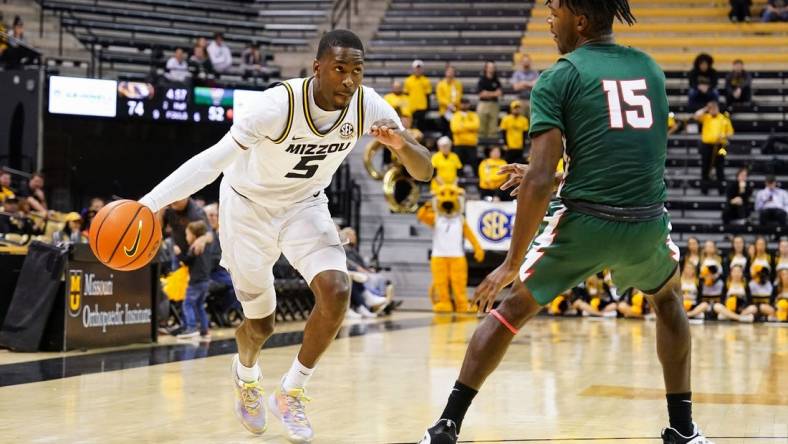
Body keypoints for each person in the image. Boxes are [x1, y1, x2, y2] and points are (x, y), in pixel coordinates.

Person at [419, 1, 712, 443]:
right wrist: (563, 176)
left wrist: (510, 261)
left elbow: (535, 181)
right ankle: (684, 430)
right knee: (668, 299)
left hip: (585, 223)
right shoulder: (650, 68)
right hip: (645, 223)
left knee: (510, 310)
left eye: (554, 11)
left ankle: (446, 426)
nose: (548, 20)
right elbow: (625, 151)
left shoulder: (560, 74)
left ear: (579, 19)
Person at [137, 30, 432, 441]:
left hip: (304, 205)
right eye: (340, 69)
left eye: (357, 71)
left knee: (337, 288)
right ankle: (246, 374)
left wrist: (401, 144)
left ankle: (291, 391)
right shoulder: (276, 106)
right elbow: (211, 162)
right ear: (318, 68)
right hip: (247, 208)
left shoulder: (367, 105)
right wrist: (148, 204)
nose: (349, 80)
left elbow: (424, 170)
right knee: (261, 325)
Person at [173, 221, 213, 339]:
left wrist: (178, 253)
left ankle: (191, 328)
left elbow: (186, 261)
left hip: (196, 281)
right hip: (205, 281)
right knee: (200, 305)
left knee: (187, 304)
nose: (186, 237)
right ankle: (204, 330)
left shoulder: (195, 246)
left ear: (194, 235)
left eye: (187, 234)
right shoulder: (206, 246)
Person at [693, 101, 733, 195]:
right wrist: (705, 109)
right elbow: (696, 115)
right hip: (707, 146)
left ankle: (721, 190)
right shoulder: (706, 117)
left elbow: (730, 133)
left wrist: (724, 135)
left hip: (720, 146)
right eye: (711, 108)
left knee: (720, 168)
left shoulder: (724, 119)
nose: (714, 109)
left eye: (715, 108)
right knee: (705, 167)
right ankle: (704, 190)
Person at [450, 97, 480, 174]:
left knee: (474, 164)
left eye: (466, 103)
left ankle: (477, 182)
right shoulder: (456, 115)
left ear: (469, 104)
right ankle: (458, 182)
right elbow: (454, 128)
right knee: (459, 165)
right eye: (463, 103)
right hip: (459, 144)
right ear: (460, 104)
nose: (464, 105)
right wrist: (469, 128)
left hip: (471, 144)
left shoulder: (473, 115)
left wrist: (462, 125)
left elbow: (476, 126)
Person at [476, 61, 502, 139]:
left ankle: (492, 149)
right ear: (486, 68)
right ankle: (481, 149)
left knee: (493, 129)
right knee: (481, 127)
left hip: (494, 104)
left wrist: (487, 93)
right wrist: (493, 93)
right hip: (483, 104)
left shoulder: (496, 80)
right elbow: (481, 94)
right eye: (490, 67)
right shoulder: (482, 80)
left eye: (493, 67)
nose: (491, 69)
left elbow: (499, 93)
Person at [404, 59, 432, 132]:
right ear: (413, 69)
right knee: (410, 127)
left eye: (419, 68)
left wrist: (428, 107)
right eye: (416, 68)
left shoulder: (426, 81)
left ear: (422, 70)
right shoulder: (408, 81)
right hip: (411, 108)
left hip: (422, 107)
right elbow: (406, 95)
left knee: (421, 127)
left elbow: (428, 95)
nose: (418, 70)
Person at [436, 64, 463, 135]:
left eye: (452, 71)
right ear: (445, 72)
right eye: (449, 71)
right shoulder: (440, 84)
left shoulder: (457, 84)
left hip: (455, 111)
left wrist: (453, 104)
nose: (450, 73)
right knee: (444, 132)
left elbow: (458, 96)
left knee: (453, 132)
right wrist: (448, 104)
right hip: (444, 111)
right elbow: (440, 98)